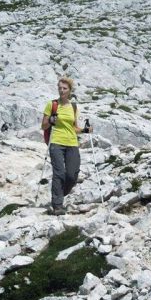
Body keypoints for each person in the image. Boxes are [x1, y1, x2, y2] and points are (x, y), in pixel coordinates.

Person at [41, 77, 92, 215]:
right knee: (59, 173)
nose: (61, 90)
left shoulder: (74, 107)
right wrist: (51, 120)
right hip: (56, 142)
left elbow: (74, 127)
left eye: (64, 88)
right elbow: (43, 125)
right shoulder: (52, 105)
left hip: (72, 143)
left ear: (70, 90)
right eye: (60, 88)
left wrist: (85, 130)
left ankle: (59, 194)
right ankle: (57, 206)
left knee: (72, 175)